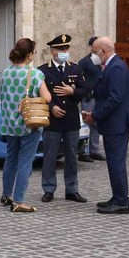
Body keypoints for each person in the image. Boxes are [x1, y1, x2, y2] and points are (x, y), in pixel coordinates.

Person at [0, 38, 51, 213]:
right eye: (34, 52)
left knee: (11, 159)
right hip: (28, 124)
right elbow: (48, 98)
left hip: (9, 124)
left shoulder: (5, 72)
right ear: (29, 55)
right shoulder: (34, 74)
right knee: (25, 163)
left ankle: (6, 195)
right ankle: (19, 200)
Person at [84, 36, 129, 215]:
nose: (93, 56)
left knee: (116, 163)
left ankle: (122, 202)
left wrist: (95, 116)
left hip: (118, 124)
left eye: (94, 52)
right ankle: (117, 196)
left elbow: (115, 98)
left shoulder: (117, 68)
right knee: (114, 163)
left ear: (103, 51)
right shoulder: (111, 66)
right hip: (113, 123)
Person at [38, 34, 88, 203]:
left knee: (72, 156)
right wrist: (52, 108)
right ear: (53, 51)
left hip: (71, 118)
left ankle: (72, 189)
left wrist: (72, 92)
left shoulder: (75, 68)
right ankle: (49, 188)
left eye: (66, 49)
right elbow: (40, 95)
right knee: (50, 156)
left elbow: (85, 91)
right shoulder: (43, 71)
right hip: (52, 120)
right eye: (61, 49)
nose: (64, 52)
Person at [77, 36, 105, 162]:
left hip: (99, 96)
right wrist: (85, 90)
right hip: (89, 97)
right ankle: (84, 151)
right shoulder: (84, 62)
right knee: (88, 123)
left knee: (97, 124)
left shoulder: (101, 61)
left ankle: (95, 150)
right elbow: (78, 78)